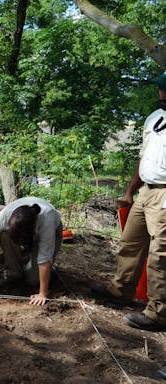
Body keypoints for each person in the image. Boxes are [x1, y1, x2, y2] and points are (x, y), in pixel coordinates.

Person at [90, 72, 166, 331]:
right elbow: (143, 158)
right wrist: (130, 190)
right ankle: (120, 291)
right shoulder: (154, 118)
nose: (162, 95)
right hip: (146, 190)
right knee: (130, 242)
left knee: (160, 256)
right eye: (161, 90)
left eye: (165, 90)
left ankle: (158, 313)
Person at [0, 197, 62, 306]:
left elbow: (44, 259)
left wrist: (43, 293)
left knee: (33, 281)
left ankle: (48, 272)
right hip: (24, 229)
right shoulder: (4, 217)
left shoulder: (47, 218)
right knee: (5, 235)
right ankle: (13, 272)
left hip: (52, 230)